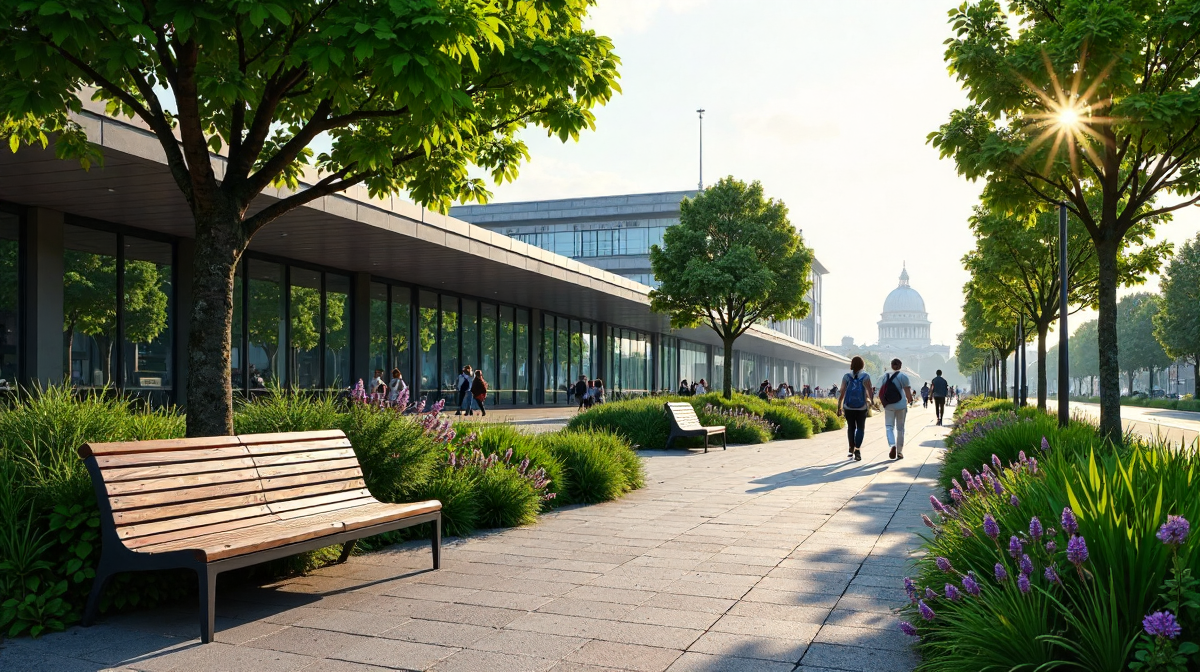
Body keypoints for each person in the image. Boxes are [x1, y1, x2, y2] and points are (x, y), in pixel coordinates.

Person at [837, 356, 874, 462]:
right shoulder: (866, 376)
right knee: (861, 428)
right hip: (861, 406)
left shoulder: (846, 377)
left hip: (848, 406)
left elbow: (842, 392)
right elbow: (870, 391)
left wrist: (839, 406)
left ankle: (851, 447)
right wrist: (872, 401)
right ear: (863, 365)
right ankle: (857, 449)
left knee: (851, 428)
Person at [879, 358, 914, 460]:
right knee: (900, 429)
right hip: (901, 405)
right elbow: (908, 393)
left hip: (889, 406)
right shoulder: (904, 376)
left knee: (889, 426)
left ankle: (892, 445)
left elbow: (882, 391)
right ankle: (899, 452)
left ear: (891, 365)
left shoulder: (885, 377)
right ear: (900, 366)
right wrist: (910, 400)